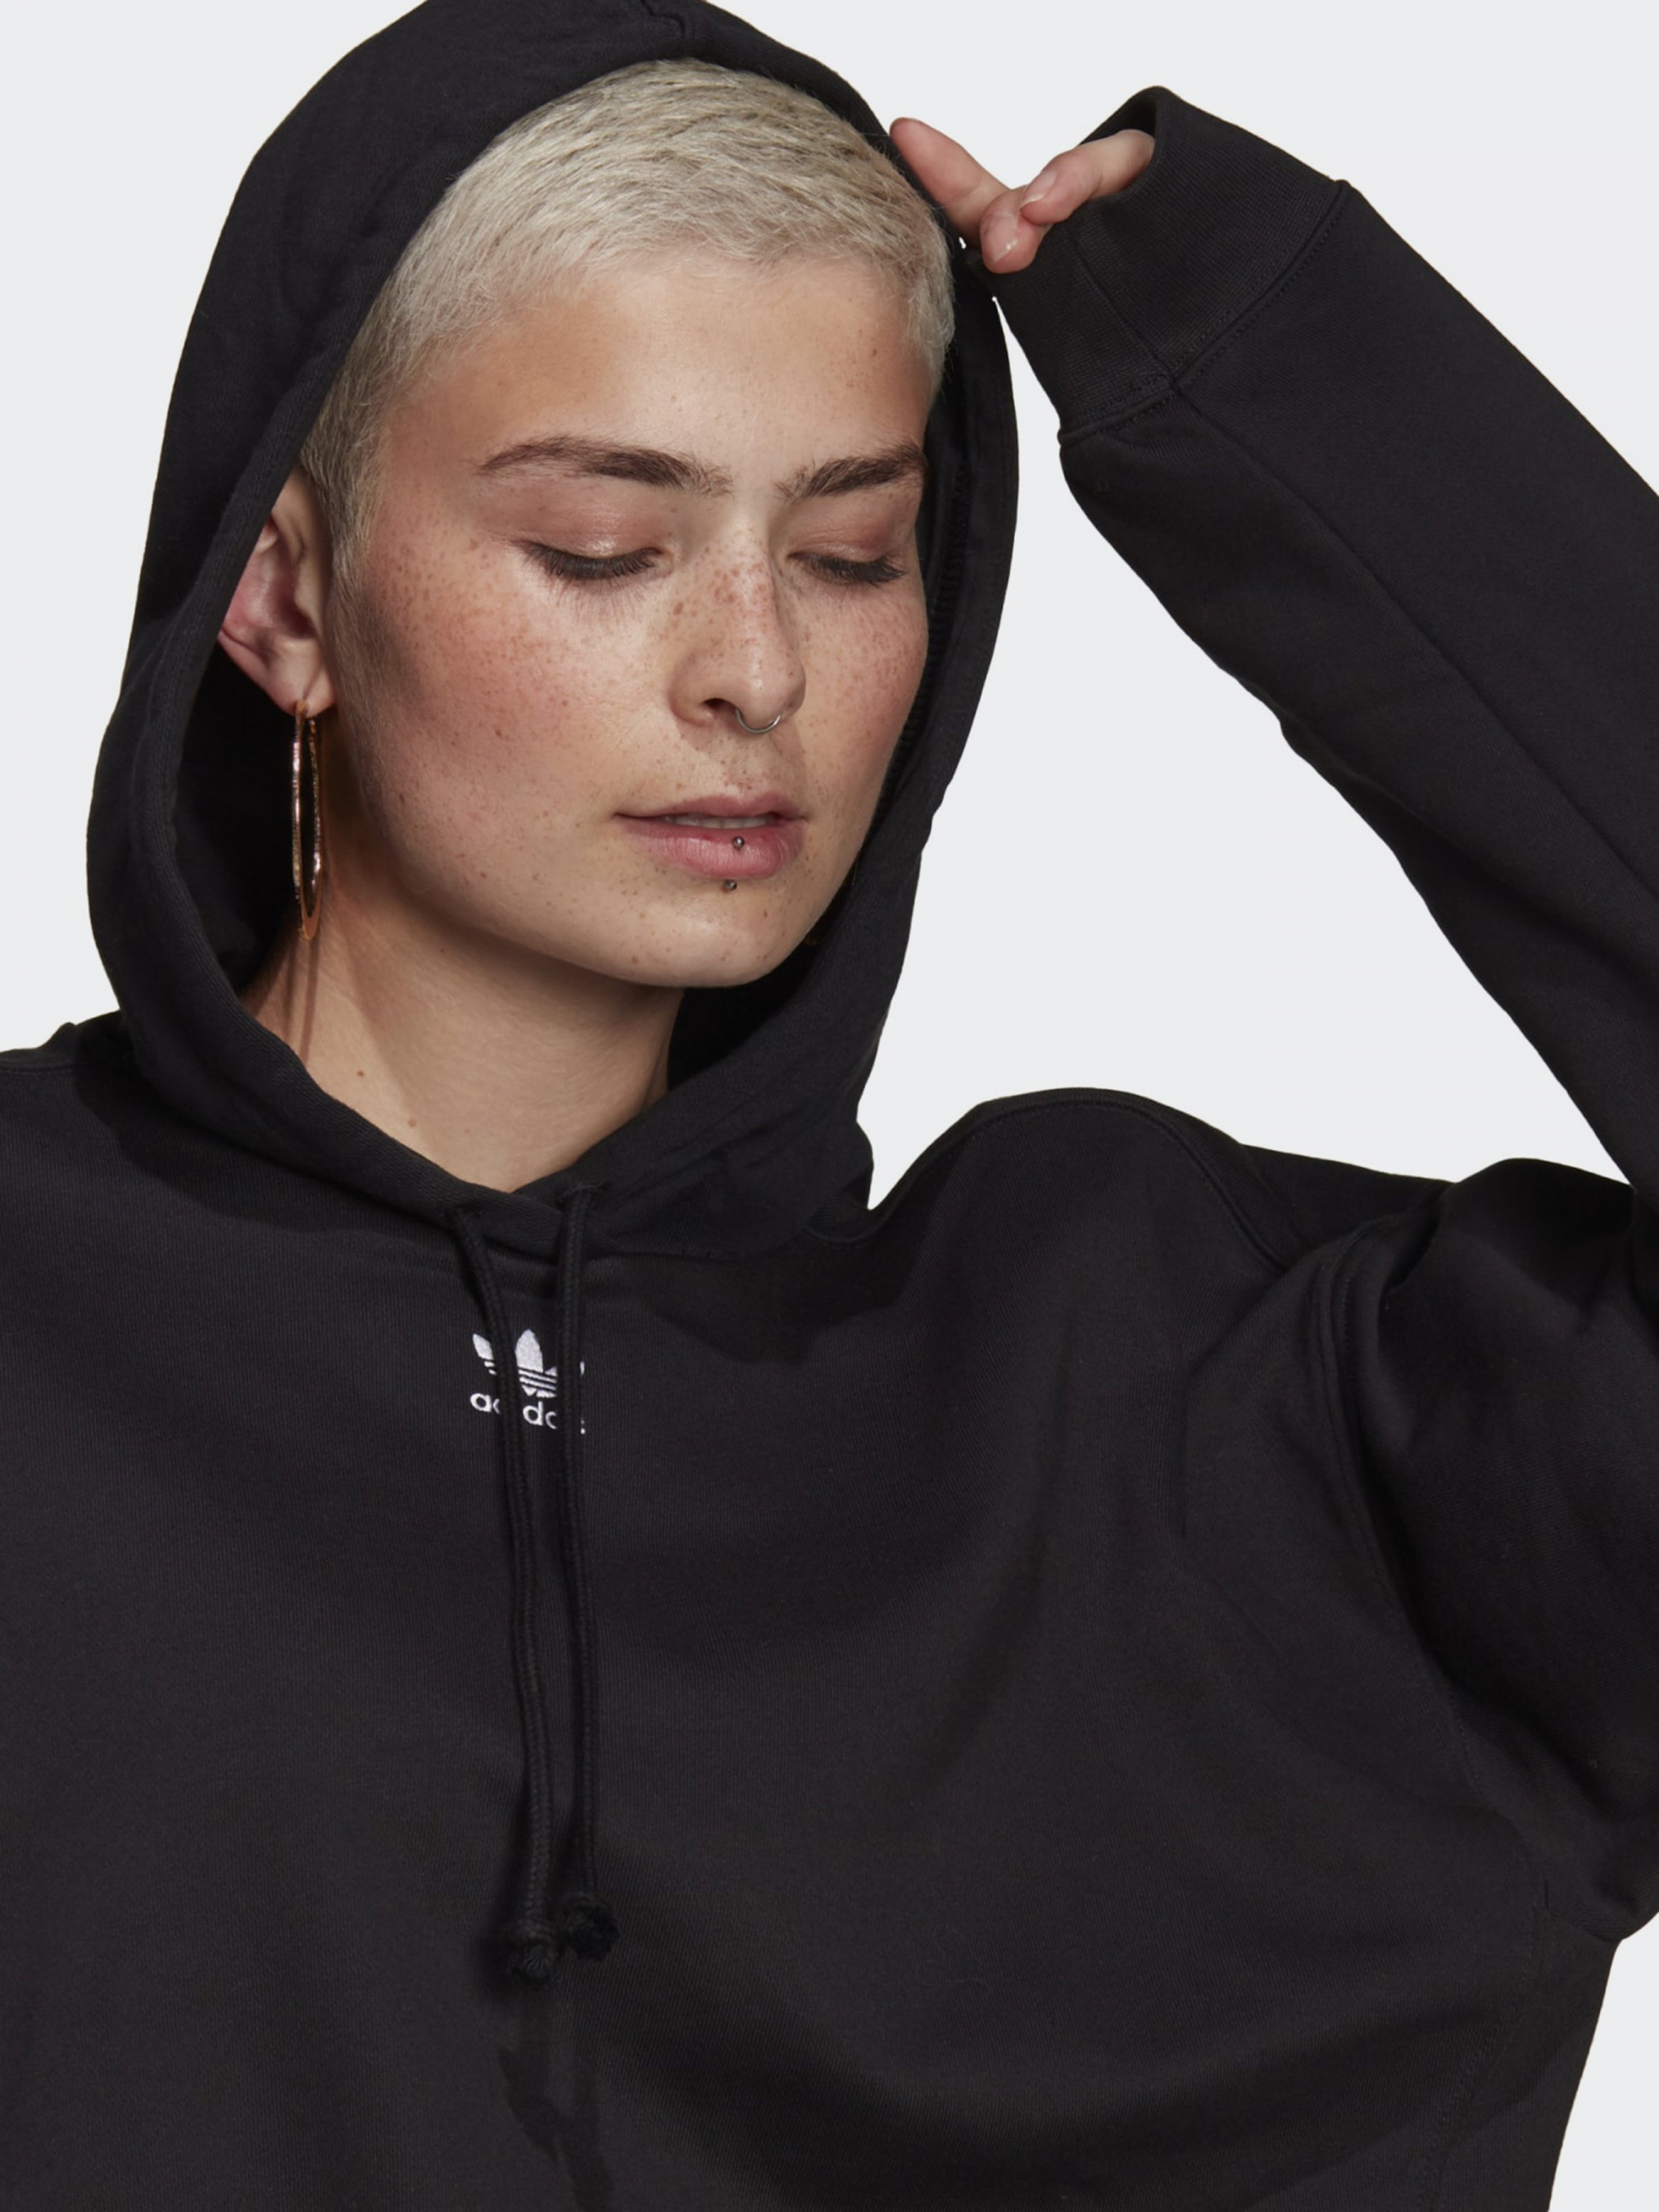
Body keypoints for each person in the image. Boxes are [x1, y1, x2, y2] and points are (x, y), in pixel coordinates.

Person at [2, 0, 1656, 2202]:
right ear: (283, 594)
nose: (757, 669)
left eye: (856, 550)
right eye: (605, 546)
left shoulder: (1183, 1398)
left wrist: (1266, 380)